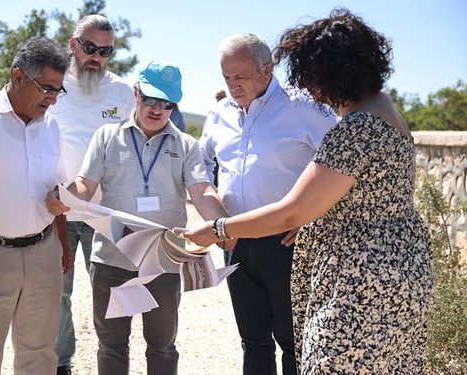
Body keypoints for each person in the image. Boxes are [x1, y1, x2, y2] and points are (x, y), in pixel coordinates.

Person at [185, 9, 434, 374]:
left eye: (312, 77)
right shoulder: (387, 111)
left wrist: (219, 229)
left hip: (362, 272)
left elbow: (292, 212)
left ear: (332, 74)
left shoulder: (355, 129)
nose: (311, 89)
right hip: (402, 259)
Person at [45, 61, 232, 375]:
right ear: (136, 93)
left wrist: (224, 225)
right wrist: (64, 196)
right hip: (111, 264)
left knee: (162, 348)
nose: (157, 109)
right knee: (111, 348)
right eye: (150, 99)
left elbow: (201, 191)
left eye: (167, 103)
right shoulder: (106, 136)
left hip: (163, 264)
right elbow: (85, 185)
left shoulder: (186, 145)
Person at [197, 33, 338, 374]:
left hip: (289, 244)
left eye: (240, 76)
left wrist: (312, 218)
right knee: (252, 340)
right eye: (226, 77)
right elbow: (198, 168)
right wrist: (215, 216)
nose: (233, 85)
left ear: (267, 69)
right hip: (236, 243)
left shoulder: (305, 106)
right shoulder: (218, 114)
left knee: (295, 341)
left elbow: (344, 166)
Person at [0, 37, 74, 375]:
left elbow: (56, 189)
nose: (53, 99)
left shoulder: (52, 127)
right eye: (47, 88)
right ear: (19, 76)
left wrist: (63, 244)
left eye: (58, 91)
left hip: (43, 252)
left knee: (40, 353)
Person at [46, 15, 134, 375]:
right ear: (73, 44)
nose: (97, 57)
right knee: (56, 295)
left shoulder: (123, 92)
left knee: (111, 297)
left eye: (106, 51)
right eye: (90, 48)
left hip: (105, 214)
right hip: (55, 212)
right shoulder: (50, 86)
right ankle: (61, 362)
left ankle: (111, 364)